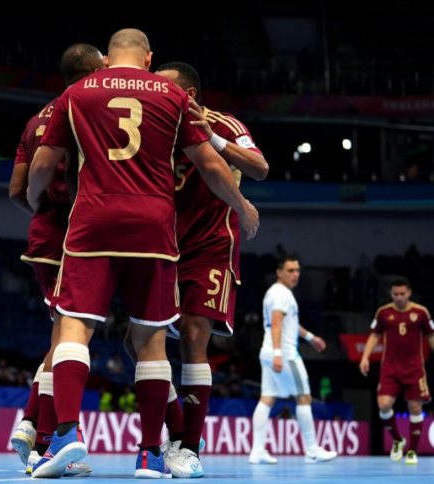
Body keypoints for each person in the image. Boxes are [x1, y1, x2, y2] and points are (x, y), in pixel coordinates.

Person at [27, 28, 258, 479]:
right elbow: (211, 165)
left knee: (74, 327)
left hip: (93, 221)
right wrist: (241, 205)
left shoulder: (76, 93)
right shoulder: (171, 95)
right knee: (151, 339)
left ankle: (68, 433)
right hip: (154, 227)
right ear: (148, 58)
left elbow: (42, 164)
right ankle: (150, 455)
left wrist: (36, 200)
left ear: (108, 59)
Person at [153, 62, 269, 477]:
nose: (155, 92)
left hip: (210, 245)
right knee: (138, 343)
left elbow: (259, 168)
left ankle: (187, 447)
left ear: (191, 95)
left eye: (165, 88)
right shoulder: (151, 122)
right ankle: (178, 429)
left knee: (192, 337)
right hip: (160, 244)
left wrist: (213, 137)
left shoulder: (225, 123)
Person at [8, 42, 104, 477]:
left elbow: (17, 190)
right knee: (70, 338)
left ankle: (33, 427)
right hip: (78, 236)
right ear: (96, 69)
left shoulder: (35, 119)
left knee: (60, 337)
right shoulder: (86, 108)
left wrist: (40, 207)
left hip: (42, 236)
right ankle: (45, 435)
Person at [249, 255, 337, 464]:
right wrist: (279, 354)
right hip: (285, 354)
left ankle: (257, 451)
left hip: (267, 352)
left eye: (297, 270)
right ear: (279, 272)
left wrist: (311, 337)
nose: (295, 274)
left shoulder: (274, 293)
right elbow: (277, 323)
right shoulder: (282, 294)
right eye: (290, 270)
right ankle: (312, 450)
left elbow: (289, 323)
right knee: (304, 397)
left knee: (267, 398)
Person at [360, 277, 433, 465]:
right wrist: (365, 357)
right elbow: (374, 336)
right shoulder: (383, 313)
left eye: (402, 294)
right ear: (391, 294)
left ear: (409, 292)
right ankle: (398, 440)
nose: (399, 298)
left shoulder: (421, 312)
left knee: (415, 408)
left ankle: (412, 451)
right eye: (395, 294)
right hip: (390, 368)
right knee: (383, 405)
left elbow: (431, 336)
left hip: (414, 368)